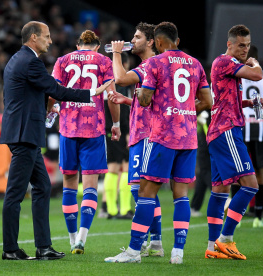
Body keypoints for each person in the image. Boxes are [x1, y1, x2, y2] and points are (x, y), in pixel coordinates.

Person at [0, 21, 112, 261]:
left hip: (24, 133)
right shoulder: (31, 62)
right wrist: (91, 93)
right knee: (15, 194)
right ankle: (10, 248)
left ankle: (43, 247)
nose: (50, 41)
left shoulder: (15, 60)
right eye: (46, 36)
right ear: (33, 38)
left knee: (43, 187)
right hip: (24, 135)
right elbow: (56, 90)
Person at [105, 21, 212, 264]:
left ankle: (134, 250)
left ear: (159, 42)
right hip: (188, 137)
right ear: (178, 40)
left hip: (162, 136)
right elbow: (208, 101)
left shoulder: (155, 63)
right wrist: (183, 110)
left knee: (145, 191)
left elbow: (144, 100)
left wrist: (148, 99)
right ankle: (178, 252)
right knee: (181, 194)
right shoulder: (195, 63)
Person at [52, 30, 121, 255]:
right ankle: (82, 238)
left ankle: (72, 239)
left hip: (68, 128)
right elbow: (112, 96)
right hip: (93, 128)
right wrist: (116, 124)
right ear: (97, 46)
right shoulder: (103, 61)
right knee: (90, 186)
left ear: (78, 44)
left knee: (69, 186)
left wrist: (51, 110)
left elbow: (53, 93)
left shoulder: (63, 61)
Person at [205, 25, 263, 260]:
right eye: (241, 45)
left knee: (220, 190)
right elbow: (257, 75)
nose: (245, 49)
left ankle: (211, 246)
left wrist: (248, 103)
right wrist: (254, 63)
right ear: (229, 44)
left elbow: (228, 99)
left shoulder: (226, 67)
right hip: (227, 130)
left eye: (247, 46)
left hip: (219, 130)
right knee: (251, 184)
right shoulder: (224, 61)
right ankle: (225, 238)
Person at [107, 22, 164, 257]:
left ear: (150, 42)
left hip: (146, 135)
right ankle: (156, 242)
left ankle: (141, 242)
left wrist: (117, 52)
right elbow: (151, 103)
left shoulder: (150, 64)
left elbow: (119, 77)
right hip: (144, 132)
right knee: (146, 189)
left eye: (138, 36)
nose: (133, 39)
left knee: (137, 189)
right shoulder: (150, 66)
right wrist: (127, 101)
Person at [231, 45, 263, 228]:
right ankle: (258, 216)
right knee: (261, 171)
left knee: (237, 172)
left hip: (242, 129)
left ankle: (235, 216)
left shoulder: (239, 75)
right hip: (262, 130)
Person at [101, 51, 131, 220]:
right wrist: (127, 132)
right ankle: (125, 209)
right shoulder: (122, 82)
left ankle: (111, 209)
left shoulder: (106, 82)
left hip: (106, 129)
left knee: (112, 167)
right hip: (120, 129)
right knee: (125, 168)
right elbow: (123, 110)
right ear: (124, 65)